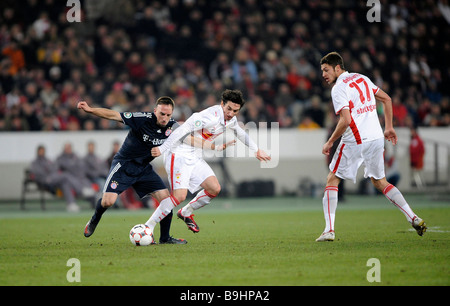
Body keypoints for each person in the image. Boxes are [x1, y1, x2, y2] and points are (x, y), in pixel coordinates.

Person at [316, 52, 427, 242]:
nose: (324, 75)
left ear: (337, 68)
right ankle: (413, 217)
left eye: (326, 70)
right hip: (376, 138)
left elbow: (345, 120)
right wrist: (389, 127)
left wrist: (330, 141)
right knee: (379, 181)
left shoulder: (338, 88)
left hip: (356, 140)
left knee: (332, 179)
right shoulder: (363, 78)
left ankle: (329, 230)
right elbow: (387, 99)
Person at [150, 89, 271, 233]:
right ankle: (148, 227)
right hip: (179, 154)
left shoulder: (230, 120)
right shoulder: (209, 117)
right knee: (179, 196)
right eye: (229, 109)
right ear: (222, 104)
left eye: (235, 111)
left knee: (214, 188)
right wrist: (163, 148)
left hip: (194, 156)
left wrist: (256, 149)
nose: (231, 113)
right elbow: (181, 131)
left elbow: (240, 132)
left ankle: (185, 212)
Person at [77, 96, 186, 244]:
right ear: (155, 111)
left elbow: (189, 134)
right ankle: (94, 219)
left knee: (166, 200)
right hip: (124, 165)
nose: (165, 118)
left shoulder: (172, 127)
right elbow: (114, 115)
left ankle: (165, 238)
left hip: (144, 169)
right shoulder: (141, 119)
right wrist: (90, 110)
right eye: (162, 114)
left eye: (168, 115)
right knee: (108, 202)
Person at [30, 145, 92, 212]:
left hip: (53, 179)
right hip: (45, 180)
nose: (42, 152)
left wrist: (52, 172)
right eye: (40, 151)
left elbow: (53, 169)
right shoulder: (35, 162)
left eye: (43, 151)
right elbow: (38, 173)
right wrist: (49, 174)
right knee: (65, 175)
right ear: (38, 152)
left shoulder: (47, 160)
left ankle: (71, 204)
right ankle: (81, 189)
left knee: (65, 184)